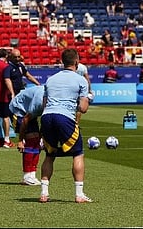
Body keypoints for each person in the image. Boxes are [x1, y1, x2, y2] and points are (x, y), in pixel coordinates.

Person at [38, 47, 93, 204]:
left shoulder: (51, 79)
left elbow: (44, 104)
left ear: (62, 61)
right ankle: (79, 194)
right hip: (65, 117)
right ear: (76, 61)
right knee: (78, 153)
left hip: (47, 116)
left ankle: (44, 193)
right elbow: (83, 108)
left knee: (49, 154)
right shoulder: (81, 80)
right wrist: (87, 98)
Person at [10, 83, 46, 186]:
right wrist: (21, 140)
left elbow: (44, 119)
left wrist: (42, 137)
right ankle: (26, 176)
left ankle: (32, 175)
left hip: (29, 112)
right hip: (19, 109)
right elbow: (25, 119)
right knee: (31, 141)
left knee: (37, 142)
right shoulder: (39, 101)